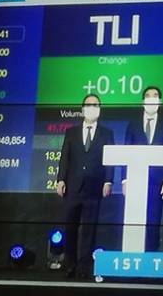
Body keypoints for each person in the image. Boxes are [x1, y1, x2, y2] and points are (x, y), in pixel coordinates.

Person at [56, 94, 114, 278]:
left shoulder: (107, 133)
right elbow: (65, 157)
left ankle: (84, 268)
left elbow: (110, 160)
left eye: (95, 105)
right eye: (88, 105)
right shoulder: (71, 132)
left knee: (89, 231)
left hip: (94, 188)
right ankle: (70, 265)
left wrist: (108, 181)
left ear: (99, 109)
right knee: (70, 228)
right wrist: (60, 179)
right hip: (73, 187)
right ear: (82, 109)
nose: (92, 108)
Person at [123, 86, 163, 251]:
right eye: (148, 95)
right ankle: (133, 255)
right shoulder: (133, 124)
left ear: (160, 101)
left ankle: (151, 256)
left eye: (155, 96)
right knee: (135, 221)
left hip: (157, 182)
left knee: (154, 220)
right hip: (136, 179)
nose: (151, 98)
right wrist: (125, 180)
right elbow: (125, 151)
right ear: (143, 101)